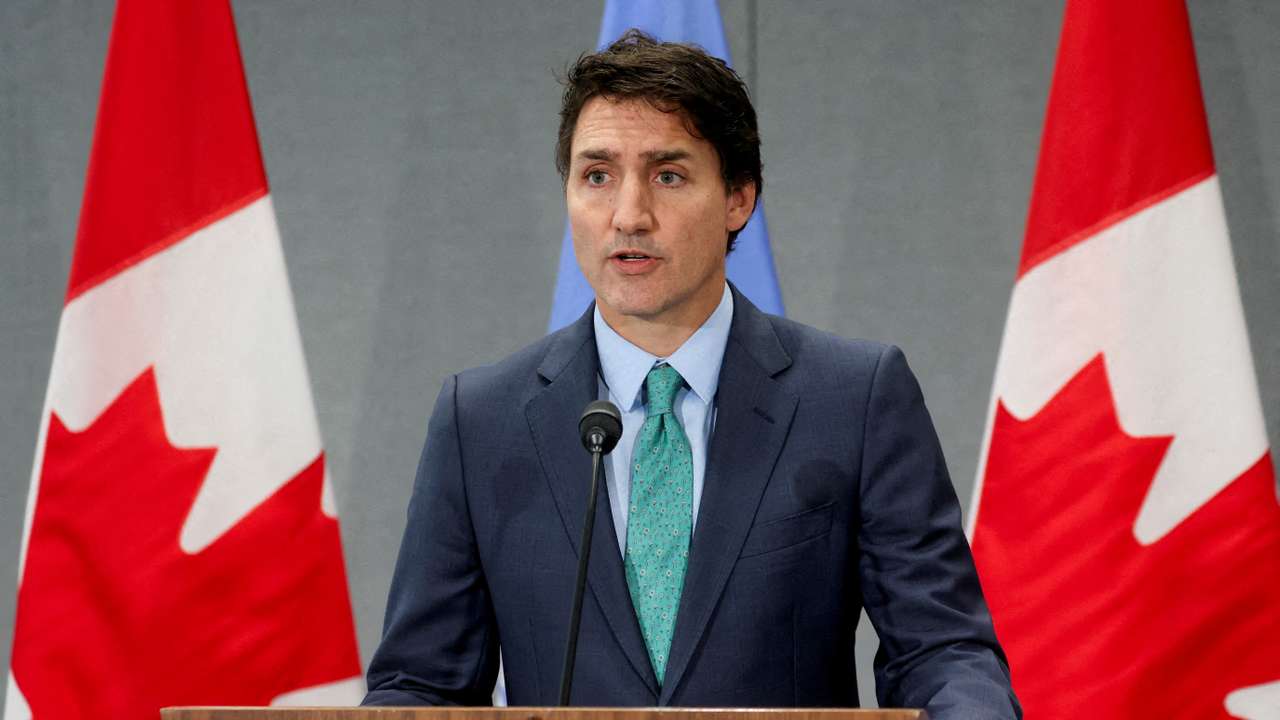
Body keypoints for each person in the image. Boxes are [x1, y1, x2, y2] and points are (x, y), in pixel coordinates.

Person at [364, 30, 1021, 719]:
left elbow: (942, 651)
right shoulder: (483, 420)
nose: (628, 215)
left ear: (739, 197)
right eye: (597, 176)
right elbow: (421, 687)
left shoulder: (852, 398)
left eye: (668, 176)